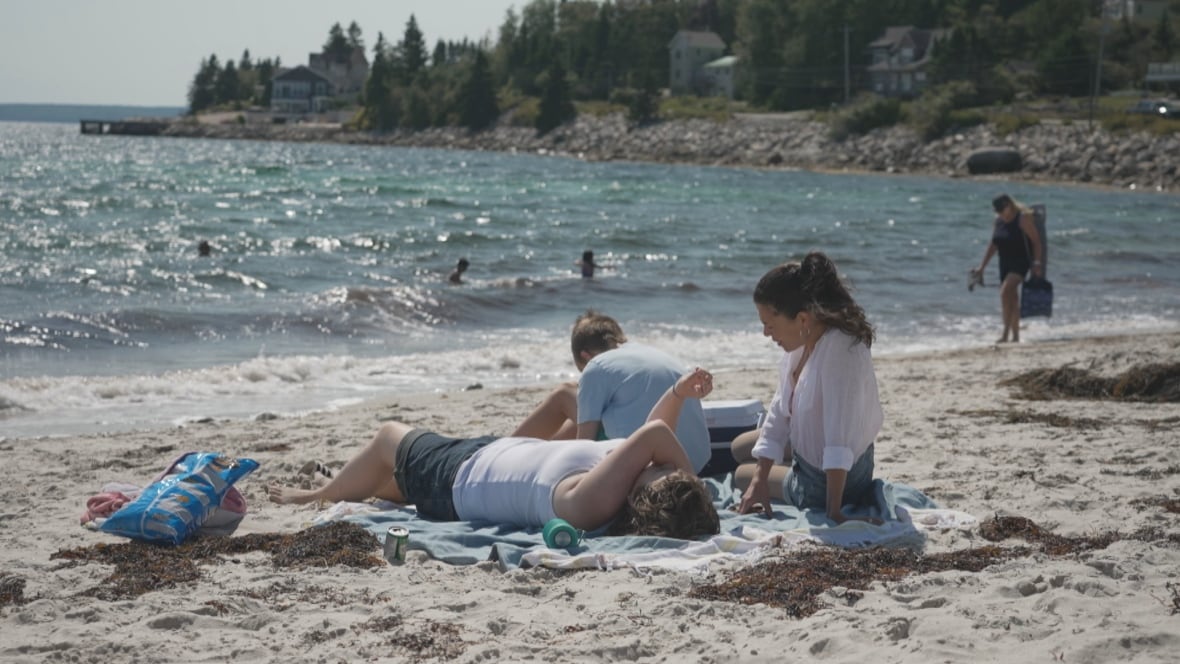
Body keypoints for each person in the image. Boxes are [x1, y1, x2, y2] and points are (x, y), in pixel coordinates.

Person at [268, 368, 721, 539]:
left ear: (646, 498)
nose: (662, 467)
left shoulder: (592, 504)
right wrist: (678, 393)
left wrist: (686, 480)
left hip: (459, 476)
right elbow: (651, 433)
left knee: (390, 436)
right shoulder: (620, 485)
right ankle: (354, 488)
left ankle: (317, 497)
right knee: (388, 485)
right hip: (484, 461)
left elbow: (654, 434)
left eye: (664, 476)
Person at [735, 252, 884, 526]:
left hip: (828, 482)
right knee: (739, 448)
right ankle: (768, 472)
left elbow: (838, 437)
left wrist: (834, 513)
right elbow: (779, 412)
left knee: (739, 474)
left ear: (802, 319)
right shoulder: (805, 340)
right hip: (811, 447)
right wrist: (760, 480)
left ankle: (799, 483)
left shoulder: (841, 351)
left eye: (769, 324)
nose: (766, 333)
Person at [510, 310, 712, 474]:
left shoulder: (597, 366)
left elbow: (585, 446)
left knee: (565, 394)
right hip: (695, 463)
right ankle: (540, 452)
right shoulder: (656, 356)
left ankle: (507, 451)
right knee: (589, 412)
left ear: (585, 356)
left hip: (643, 462)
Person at [973, 193, 1044, 343]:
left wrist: (1037, 263)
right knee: (1012, 297)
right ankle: (1016, 336)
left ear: (1009, 205)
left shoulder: (1022, 219)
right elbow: (993, 245)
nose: (999, 213)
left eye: (1001, 210)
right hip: (1004, 262)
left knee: (1005, 292)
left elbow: (1036, 242)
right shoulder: (998, 221)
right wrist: (982, 267)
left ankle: (1005, 334)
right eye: (997, 211)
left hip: (1021, 261)